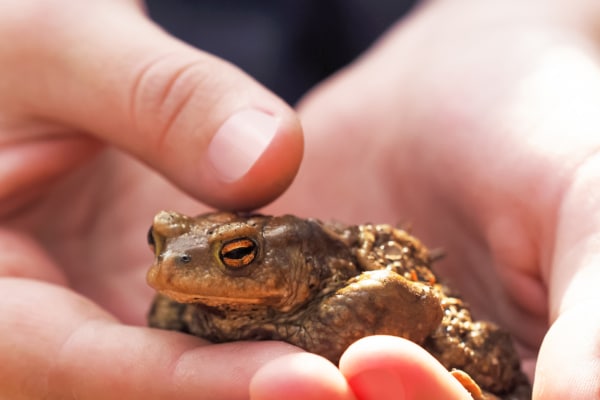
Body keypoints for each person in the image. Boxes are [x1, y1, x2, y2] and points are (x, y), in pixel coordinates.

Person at [1, 1, 599, 399]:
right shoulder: (179, 301)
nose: (171, 264)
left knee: (487, 360)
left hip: (436, 318)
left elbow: (403, 296)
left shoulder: (329, 279)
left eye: (235, 255)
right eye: (160, 244)